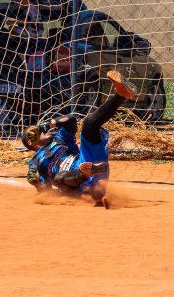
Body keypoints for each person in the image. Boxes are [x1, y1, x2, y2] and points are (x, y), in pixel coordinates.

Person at [22, 70, 135, 208]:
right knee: (58, 178)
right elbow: (47, 191)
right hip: (77, 185)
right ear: (30, 142)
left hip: (89, 162)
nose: (38, 131)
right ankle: (88, 179)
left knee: (88, 125)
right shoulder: (34, 162)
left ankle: (121, 95)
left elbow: (71, 120)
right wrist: (37, 184)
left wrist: (45, 126)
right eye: (33, 132)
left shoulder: (58, 139)